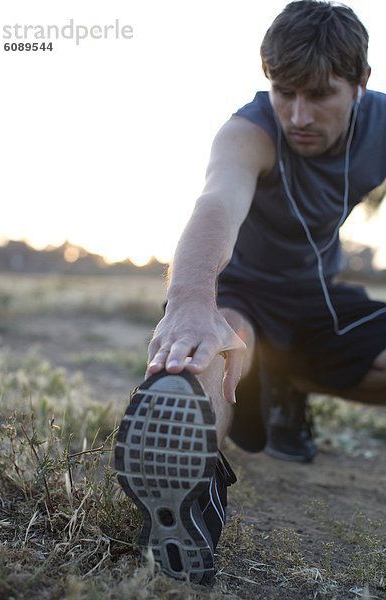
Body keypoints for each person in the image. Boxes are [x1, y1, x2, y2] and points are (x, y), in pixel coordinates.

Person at [115, 0, 386, 584]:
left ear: (361, 83)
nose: (298, 114)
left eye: (319, 94)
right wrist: (189, 304)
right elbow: (217, 201)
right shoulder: (249, 130)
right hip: (241, 288)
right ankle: (185, 503)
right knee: (199, 357)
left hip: (318, 295)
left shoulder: (383, 125)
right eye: (285, 92)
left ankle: (286, 378)